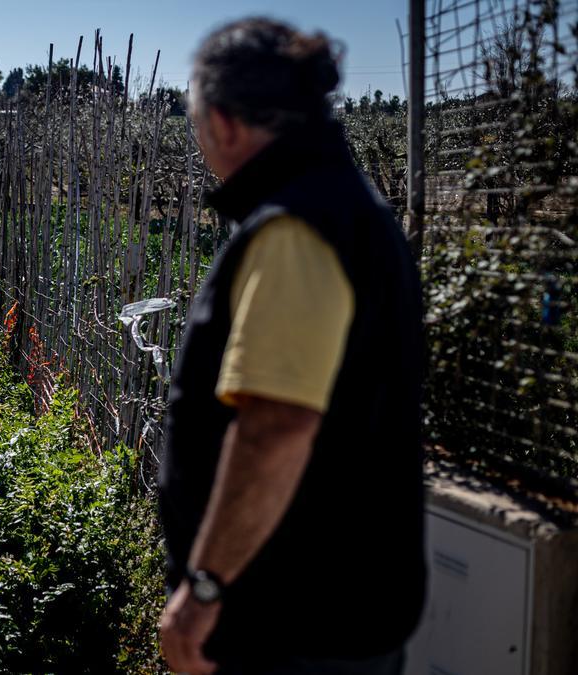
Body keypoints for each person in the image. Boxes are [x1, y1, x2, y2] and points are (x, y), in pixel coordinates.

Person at [158, 18, 424, 675]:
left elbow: (276, 427)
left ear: (222, 122)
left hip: (291, 627)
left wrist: (205, 587)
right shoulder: (348, 207)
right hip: (341, 610)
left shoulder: (297, 228)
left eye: (195, 124)